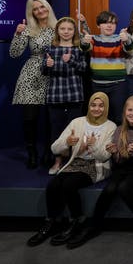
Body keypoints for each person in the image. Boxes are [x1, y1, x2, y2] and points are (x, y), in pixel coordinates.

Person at [67, 95, 133, 253]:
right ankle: (94, 225)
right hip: (124, 167)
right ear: (125, 112)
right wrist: (116, 153)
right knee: (109, 189)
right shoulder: (119, 129)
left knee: (124, 188)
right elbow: (119, 161)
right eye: (130, 110)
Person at [26, 92, 116, 247]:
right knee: (53, 185)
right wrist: (67, 142)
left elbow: (104, 157)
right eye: (93, 105)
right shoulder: (77, 122)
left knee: (69, 185)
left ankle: (77, 220)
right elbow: (55, 148)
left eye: (101, 106)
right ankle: (52, 221)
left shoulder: (111, 126)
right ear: (88, 106)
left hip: (96, 166)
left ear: (106, 107)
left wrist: (92, 145)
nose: (96, 109)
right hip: (75, 163)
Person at [10, 0, 58, 169]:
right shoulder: (28, 29)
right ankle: (31, 152)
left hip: (54, 74)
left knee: (50, 118)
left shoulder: (59, 26)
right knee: (30, 118)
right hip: (32, 74)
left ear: (48, 7)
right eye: (35, 9)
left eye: (42, 7)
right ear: (32, 12)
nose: (40, 11)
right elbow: (14, 53)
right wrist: (18, 33)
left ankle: (48, 151)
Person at [41, 17, 86, 175]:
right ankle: (57, 161)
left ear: (74, 32)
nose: (66, 32)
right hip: (56, 95)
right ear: (57, 31)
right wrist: (48, 66)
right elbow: (44, 70)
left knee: (76, 130)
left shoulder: (78, 49)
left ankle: (74, 161)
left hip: (74, 95)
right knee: (57, 129)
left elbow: (83, 69)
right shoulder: (50, 48)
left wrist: (71, 61)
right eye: (63, 29)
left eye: (69, 29)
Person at [78, 10, 133, 125]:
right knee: (98, 116)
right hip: (97, 84)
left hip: (118, 85)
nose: (109, 25)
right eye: (106, 22)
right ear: (99, 25)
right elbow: (84, 48)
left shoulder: (120, 38)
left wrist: (127, 39)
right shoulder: (93, 39)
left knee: (119, 117)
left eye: (113, 23)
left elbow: (130, 50)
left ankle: (117, 142)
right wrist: (84, 41)